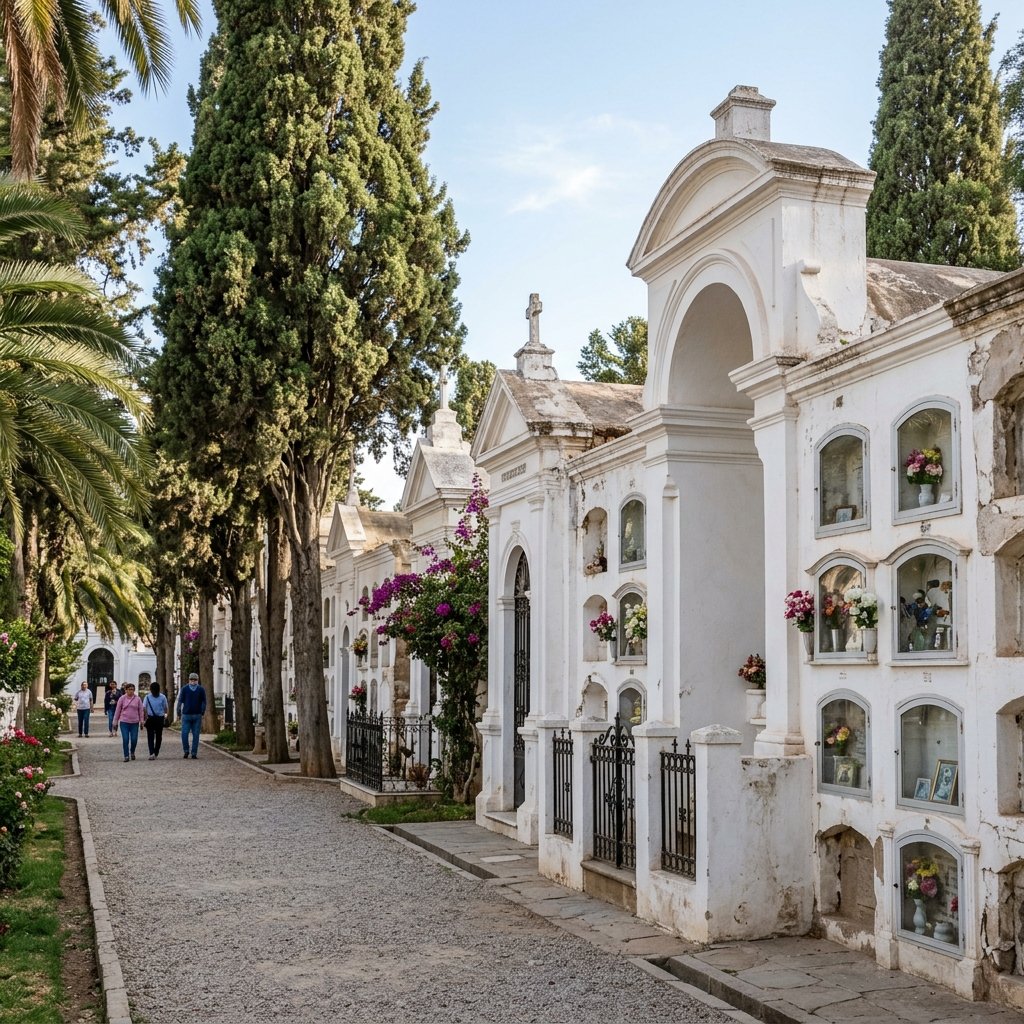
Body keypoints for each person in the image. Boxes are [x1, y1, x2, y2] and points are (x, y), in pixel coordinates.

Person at [177, 671, 207, 759]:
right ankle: (187, 751)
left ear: (197, 680)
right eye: (191, 679)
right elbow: (180, 701)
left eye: (195, 679)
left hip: (196, 715)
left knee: (195, 735)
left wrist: (202, 711)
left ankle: (193, 752)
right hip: (187, 715)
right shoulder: (185, 689)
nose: (193, 681)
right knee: (185, 734)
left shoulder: (200, 689)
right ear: (189, 680)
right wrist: (178, 711)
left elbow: (204, 701)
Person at [112, 682, 145, 762]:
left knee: (134, 739)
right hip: (124, 722)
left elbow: (141, 711)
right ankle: (126, 755)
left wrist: (142, 721)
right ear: (126, 690)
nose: (131, 691)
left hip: (134, 722)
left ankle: (132, 751)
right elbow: (117, 711)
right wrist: (115, 722)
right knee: (125, 739)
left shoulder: (137, 699)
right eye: (129, 689)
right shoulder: (122, 698)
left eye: (133, 690)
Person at [143, 681, 168, 760]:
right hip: (152, 718)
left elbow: (166, 708)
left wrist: (165, 715)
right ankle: (152, 752)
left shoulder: (163, 697)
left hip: (158, 718)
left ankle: (155, 751)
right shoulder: (147, 697)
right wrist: (146, 716)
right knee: (151, 735)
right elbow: (144, 708)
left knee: (158, 736)